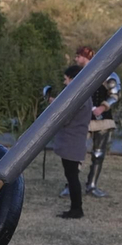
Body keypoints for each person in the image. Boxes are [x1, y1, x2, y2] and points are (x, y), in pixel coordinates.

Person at [57, 45, 121, 199]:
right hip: (81, 119)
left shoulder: (106, 74)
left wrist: (102, 107)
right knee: (75, 153)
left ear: (86, 56)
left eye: (78, 56)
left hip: (102, 118)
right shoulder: (77, 75)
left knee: (98, 154)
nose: (76, 59)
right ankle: (71, 186)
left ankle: (91, 185)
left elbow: (114, 94)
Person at [48, 63, 90, 219]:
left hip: (72, 143)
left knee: (72, 178)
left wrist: (55, 108)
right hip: (74, 142)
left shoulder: (79, 97)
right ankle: (75, 208)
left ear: (74, 79)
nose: (65, 83)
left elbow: (66, 118)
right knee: (71, 176)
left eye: (66, 79)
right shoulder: (83, 95)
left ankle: (76, 209)